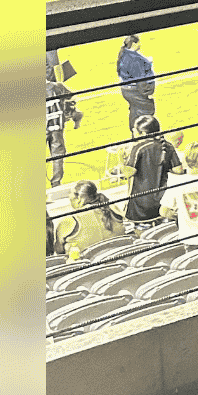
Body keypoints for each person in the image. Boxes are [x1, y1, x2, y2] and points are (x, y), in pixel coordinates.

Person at [125, 116, 183, 224]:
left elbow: (128, 173)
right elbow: (178, 170)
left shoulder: (138, 148)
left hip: (142, 203)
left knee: (143, 232)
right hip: (163, 199)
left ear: (142, 132)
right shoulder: (167, 145)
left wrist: (121, 161)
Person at [56, 179, 120, 258]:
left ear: (79, 199)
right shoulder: (113, 210)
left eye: (70, 199)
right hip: (118, 262)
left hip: (88, 267)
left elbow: (59, 251)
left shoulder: (69, 222)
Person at [46, 59, 81, 188]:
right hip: (56, 126)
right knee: (58, 154)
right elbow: (72, 98)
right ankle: (56, 182)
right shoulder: (57, 86)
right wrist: (68, 113)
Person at [115, 32, 157, 134]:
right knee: (146, 114)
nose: (140, 45)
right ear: (134, 44)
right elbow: (140, 80)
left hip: (128, 90)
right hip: (136, 91)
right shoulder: (134, 60)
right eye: (139, 42)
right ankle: (144, 136)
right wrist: (147, 94)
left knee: (135, 112)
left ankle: (134, 133)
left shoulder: (125, 53)